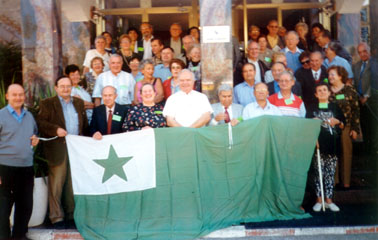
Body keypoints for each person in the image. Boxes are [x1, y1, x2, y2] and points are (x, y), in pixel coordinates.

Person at [37, 76, 88, 228]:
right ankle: (56, 217)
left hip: (75, 148)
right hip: (57, 148)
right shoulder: (47, 103)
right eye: (62, 86)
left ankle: (71, 215)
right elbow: (40, 122)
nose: (66, 89)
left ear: (72, 87)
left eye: (68, 86)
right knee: (57, 183)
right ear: (56, 88)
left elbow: (83, 124)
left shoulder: (78, 103)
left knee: (72, 183)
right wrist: (55, 129)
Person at [0, 84, 39, 240]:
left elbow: (34, 134)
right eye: (14, 95)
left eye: (21, 95)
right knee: (3, 207)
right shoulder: (1, 115)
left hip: (26, 167)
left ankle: (19, 236)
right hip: (5, 168)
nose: (18, 98)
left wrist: (35, 140)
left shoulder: (29, 116)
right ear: (7, 96)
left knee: (25, 205)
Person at [307, 82, 345, 212]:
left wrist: (338, 121)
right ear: (316, 94)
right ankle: (319, 199)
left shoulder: (335, 107)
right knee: (318, 173)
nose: (323, 92)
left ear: (329, 93)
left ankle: (329, 200)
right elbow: (306, 123)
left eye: (325, 90)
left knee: (330, 173)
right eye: (320, 90)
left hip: (332, 144)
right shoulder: (311, 107)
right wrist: (312, 122)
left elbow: (342, 123)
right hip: (318, 144)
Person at [328, 66, 360, 189]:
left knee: (346, 154)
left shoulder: (349, 90)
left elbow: (356, 110)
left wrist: (355, 128)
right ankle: (334, 181)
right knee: (333, 153)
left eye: (333, 74)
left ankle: (346, 181)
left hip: (346, 126)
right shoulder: (327, 90)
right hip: (331, 127)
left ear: (340, 76)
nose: (330, 77)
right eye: (329, 75)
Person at [352, 42, 378, 160]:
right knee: (365, 128)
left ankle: (374, 154)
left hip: (372, 102)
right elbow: (355, 83)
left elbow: (375, 81)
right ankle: (368, 155)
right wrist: (358, 96)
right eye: (360, 52)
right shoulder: (356, 66)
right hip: (360, 102)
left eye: (364, 51)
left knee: (373, 129)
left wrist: (367, 96)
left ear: (369, 51)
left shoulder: (375, 64)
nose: (362, 54)